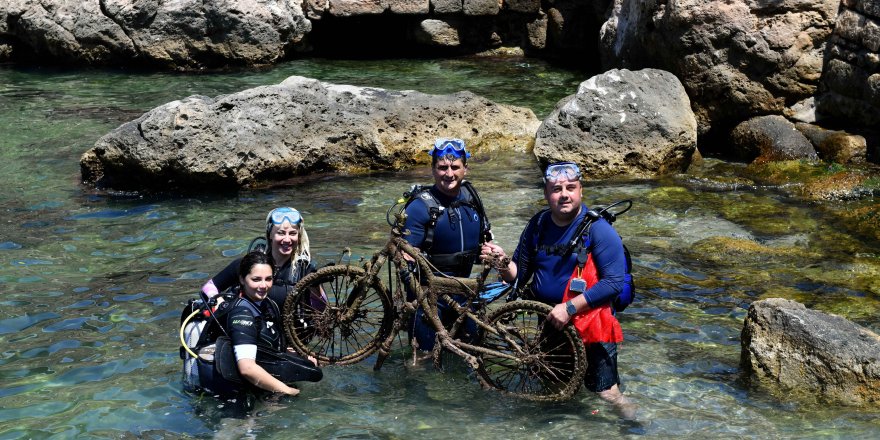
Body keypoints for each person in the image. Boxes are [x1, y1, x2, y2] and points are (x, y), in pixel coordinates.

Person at [480, 161, 636, 417]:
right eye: (556, 189)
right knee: (552, 385)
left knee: (607, 394)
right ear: (546, 194)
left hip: (592, 324)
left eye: (570, 187)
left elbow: (613, 283)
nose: (564, 194)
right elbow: (519, 275)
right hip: (550, 322)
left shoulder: (599, 230)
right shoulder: (538, 225)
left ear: (581, 191)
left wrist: (570, 307)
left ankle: (635, 429)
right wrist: (503, 263)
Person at [403, 138, 493, 352]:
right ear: (433, 170)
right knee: (424, 363)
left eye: (455, 167)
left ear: (465, 169)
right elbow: (403, 260)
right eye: (443, 167)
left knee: (473, 356)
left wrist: (490, 253)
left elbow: (483, 242)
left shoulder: (472, 198)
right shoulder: (420, 207)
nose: (449, 174)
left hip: (465, 294)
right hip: (429, 300)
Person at [225, 251, 318, 396]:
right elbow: (247, 368)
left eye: (268, 279)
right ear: (242, 280)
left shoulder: (268, 304)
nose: (263, 285)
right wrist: (286, 390)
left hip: (263, 378)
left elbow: (270, 346)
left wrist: (301, 358)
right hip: (237, 393)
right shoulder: (242, 313)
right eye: (256, 279)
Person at [202, 207, 322, 308]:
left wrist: (316, 287)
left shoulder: (305, 271)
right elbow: (209, 287)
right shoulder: (250, 264)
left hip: (289, 333)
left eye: (292, 233)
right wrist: (219, 304)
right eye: (280, 233)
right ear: (270, 234)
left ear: (299, 236)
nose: (287, 239)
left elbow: (322, 311)